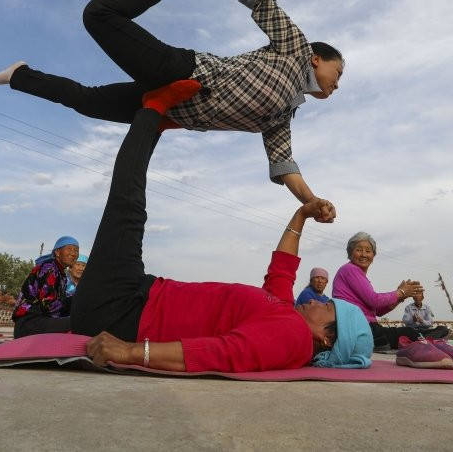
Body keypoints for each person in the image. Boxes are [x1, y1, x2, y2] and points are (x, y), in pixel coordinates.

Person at [0, 0, 342, 217]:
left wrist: (312, 200)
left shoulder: (281, 117)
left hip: (166, 108)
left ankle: (20, 75)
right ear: (316, 59)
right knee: (99, 15)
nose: (336, 85)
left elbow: (284, 165)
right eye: (336, 73)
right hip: (185, 72)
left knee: (87, 102)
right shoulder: (296, 48)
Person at [69, 82, 371, 372]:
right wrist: (302, 215)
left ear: (327, 337)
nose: (321, 302)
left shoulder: (293, 337)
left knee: (128, 207)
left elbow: (223, 352)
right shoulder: (283, 313)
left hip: (124, 310)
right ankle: (154, 120)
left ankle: (153, 111)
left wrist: (129, 351)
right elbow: (282, 269)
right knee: (129, 208)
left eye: (328, 308)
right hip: (136, 298)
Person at [331, 232, 431, 350]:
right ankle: (426, 338)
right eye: (359, 250)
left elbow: (378, 311)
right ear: (350, 253)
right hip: (357, 327)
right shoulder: (350, 269)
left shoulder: (356, 273)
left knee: (406, 333)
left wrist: (400, 297)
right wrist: (401, 292)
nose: (364, 254)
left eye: (368, 251)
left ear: (373, 255)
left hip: (365, 326)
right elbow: (374, 300)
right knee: (410, 333)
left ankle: (423, 337)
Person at [12, 236, 80, 338]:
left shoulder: (61, 274)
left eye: (76, 250)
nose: (73, 253)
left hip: (41, 320)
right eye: (69, 249)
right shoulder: (49, 267)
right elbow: (48, 305)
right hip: (30, 323)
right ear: (57, 252)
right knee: (79, 321)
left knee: (77, 302)